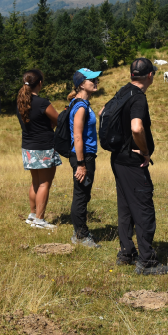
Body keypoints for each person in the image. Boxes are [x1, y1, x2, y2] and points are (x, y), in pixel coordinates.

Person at [109, 58, 168, 275]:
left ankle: (126, 253)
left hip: (118, 158)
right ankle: (147, 262)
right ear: (150, 75)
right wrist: (144, 151)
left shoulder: (122, 92)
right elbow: (137, 128)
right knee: (144, 209)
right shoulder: (138, 98)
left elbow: (102, 113)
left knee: (126, 207)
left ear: (131, 75)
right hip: (132, 162)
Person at [16, 69, 61, 230]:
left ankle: (33, 214)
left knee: (35, 182)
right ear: (40, 83)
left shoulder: (21, 102)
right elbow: (59, 120)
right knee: (44, 184)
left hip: (28, 148)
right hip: (44, 147)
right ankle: (40, 220)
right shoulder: (42, 103)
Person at [68, 68, 102, 248]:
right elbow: (78, 136)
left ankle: (79, 231)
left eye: (96, 79)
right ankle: (80, 235)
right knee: (81, 195)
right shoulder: (81, 107)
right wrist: (81, 164)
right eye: (92, 80)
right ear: (81, 84)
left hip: (85, 155)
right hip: (83, 157)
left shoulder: (81, 104)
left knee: (83, 193)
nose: (96, 82)